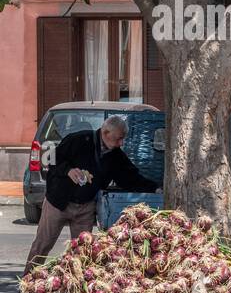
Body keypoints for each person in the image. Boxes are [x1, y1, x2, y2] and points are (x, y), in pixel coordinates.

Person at [26, 115, 159, 272]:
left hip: (85, 206)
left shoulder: (116, 155)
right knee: (42, 245)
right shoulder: (78, 140)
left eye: (123, 139)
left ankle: (76, 288)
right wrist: (68, 171)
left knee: (82, 252)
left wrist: (154, 188)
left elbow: (131, 178)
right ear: (105, 132)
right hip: (58, 202)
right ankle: (27, 280)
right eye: (118, 138)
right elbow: (51, 161)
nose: (121, 143)